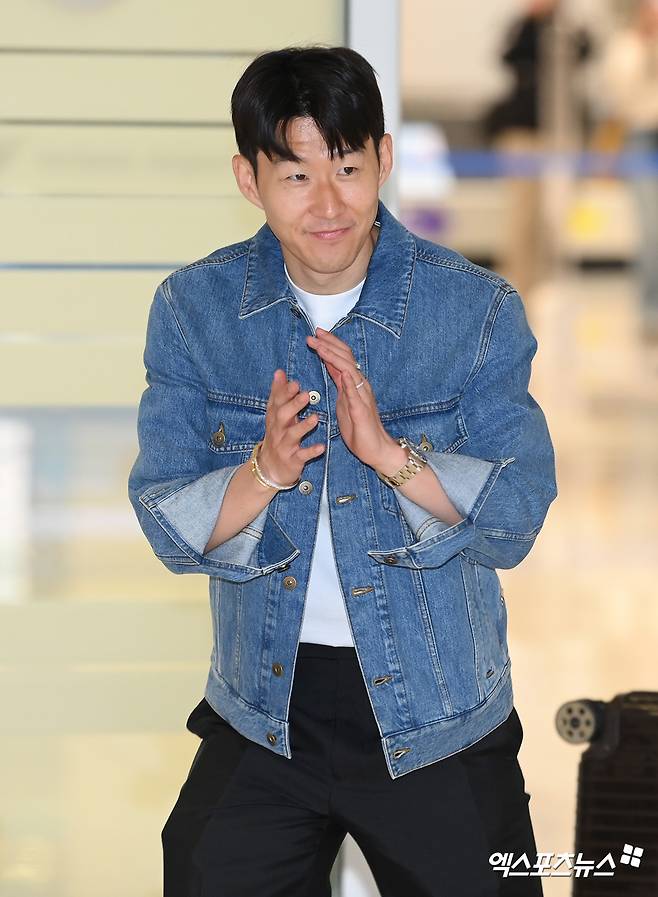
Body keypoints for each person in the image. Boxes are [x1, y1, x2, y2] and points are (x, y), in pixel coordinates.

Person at [128, 46, 557, 897]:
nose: (328, 204)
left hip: (438, 708)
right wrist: (264, 471)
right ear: (249, 179)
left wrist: (392, 456)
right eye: (295, 176)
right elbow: (168, 522)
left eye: (348, 168)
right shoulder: (194, 309)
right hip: (265, 708)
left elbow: (515, 516)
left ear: (384, 159)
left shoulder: (475, 308)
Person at [482, 0, 592, 301]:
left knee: (554, 215)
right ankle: (517, 287)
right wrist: (533, 19)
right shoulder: (523, 28)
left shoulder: (568, 28)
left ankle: (546, 285)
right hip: (524, 133)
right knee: (524, 213)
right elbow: (509, 56)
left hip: (559, 132)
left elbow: (587, 51)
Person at [601, 0, 658, 344]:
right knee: (651, 228)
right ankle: (651, 312)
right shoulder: (625, 48)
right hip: (641, 137)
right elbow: (620, 99)